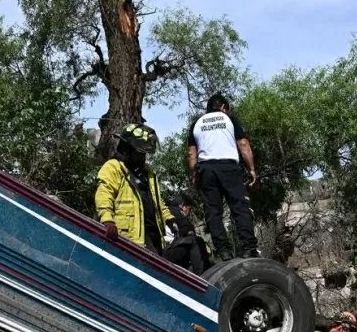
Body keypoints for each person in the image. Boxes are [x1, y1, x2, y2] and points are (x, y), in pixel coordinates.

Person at [188, 93, 259, 260]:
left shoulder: (197, 123)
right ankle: (249, 248)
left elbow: (191, 153)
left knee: (213, 212)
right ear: (223, 107)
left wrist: (193, 175)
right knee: (240, 208)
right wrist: (252, 169)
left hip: (206, 170)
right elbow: (243, 144)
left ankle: (224, 252)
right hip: (228, 167)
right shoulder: (229, 120)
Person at [94, 123, 175, 255]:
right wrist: (107, 220)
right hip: (131, 238)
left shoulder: (148, 174)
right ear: (127, 150)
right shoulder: (113, 168)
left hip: (154, 235)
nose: (143, 159)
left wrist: (169, 218)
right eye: (140, 154)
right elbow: (104, 194)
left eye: (145, 155)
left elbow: (157, 202)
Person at [163, 193, 209, 274]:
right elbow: (187, 229)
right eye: (189, 209)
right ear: (182, 205)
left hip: (167, 251)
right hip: (169, 250)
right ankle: (202, 274)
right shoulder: (176, 211)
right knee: (197, 242)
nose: (189, 212)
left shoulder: (167, 210)